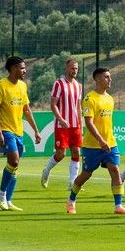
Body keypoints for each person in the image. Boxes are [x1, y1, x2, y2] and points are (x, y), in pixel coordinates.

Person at [67, 67, 125, 215]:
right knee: (86, 174)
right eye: (107, 77)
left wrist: (106, 140)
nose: (110, 79)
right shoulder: (90, 98)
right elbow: (89, 122)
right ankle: (71, 200)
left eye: (110, 77)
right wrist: (101, 140)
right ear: (98, 79)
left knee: (115, 170)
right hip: (92, 145)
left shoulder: (110, 98)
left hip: (110, 143)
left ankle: (118, 205)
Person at [0, 55, 43, 212]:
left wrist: (36, 130)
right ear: (13, 69)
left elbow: (26, 110)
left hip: (18, 130)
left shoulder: (22, 86)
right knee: (13, 161)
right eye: (22, 68)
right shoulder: (0, 85)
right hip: (6, 130)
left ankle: (8, 199)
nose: (24, 70)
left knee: (15, 166)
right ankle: (1, 194)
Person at [40, 58, 83, 191]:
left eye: (76, 68)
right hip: (62, 125)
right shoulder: (59, 84)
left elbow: (78, 105)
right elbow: (53, 104)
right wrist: (60, 119)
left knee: (76, 152)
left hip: (75, 125)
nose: (74, 70)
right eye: (72, 68)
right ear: (66, 68)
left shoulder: (79, 85)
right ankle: (46, 171)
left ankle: (72, 183)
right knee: (61, 154)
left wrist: (81, 123)